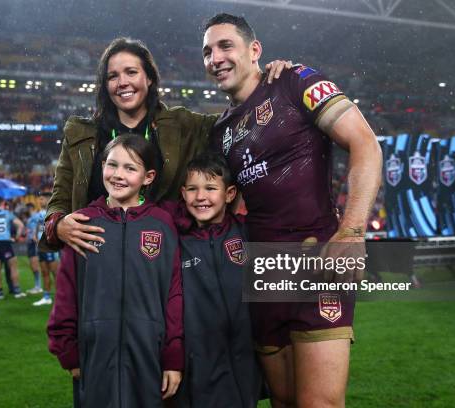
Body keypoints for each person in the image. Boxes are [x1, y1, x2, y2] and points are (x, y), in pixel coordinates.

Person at [202, 13, 382, 408]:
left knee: (319, 404)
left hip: (318, 259)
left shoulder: (296, 80)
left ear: (255, 50)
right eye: (207, 51)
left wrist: (352, 232)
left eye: (225, 46)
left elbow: (366, 144)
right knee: (282, 401)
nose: (215, 57)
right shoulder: (219, 132)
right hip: (263, 273)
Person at [38, 37, 291, 255]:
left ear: (149, 78)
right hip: (98, 260)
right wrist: (57, 226)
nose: (122, 82)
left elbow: (238, 123)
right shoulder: (81, 133)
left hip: (165, 262)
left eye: (131, 72)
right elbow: (59, 197)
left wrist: (268, 83)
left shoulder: (184, 125)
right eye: (112, 76)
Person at [47, 134, 183, 407]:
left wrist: (173, 356)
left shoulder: (162, 224)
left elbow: (174, 294)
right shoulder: (82, 222)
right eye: (112, 165)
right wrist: (68, 351)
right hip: (94, 355)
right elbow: (66, 292)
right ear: (102, 168)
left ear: (148, 177)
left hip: (149, 355)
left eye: (130, 168)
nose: (118, 175)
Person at [174, 152, 261, 407]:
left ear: (230, 194)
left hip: (245, 356)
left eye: (211, 188)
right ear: (182, 193)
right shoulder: (177, 240)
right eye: (192, 189)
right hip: (197, 361)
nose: (201, 197)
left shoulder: (248, 232)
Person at [32, 192, 58, 306]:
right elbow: (38, 226)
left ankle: (62, 297)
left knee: (55, 272)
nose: (40, 201)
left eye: (42, 199)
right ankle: (46, 297)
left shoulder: (53, 212)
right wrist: (35, 235)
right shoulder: (39, 213)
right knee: (44, 272)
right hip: (41, 246)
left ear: (48, 200)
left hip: (50, 246)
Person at [24, 202, 42, 294]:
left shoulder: (36, 216)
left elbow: (40, 226)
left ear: (30, 208)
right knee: (32, 265)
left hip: (34, 241)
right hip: (30, 242)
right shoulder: (30, 217)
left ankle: (38, 286)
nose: (25, 210)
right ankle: (37, 285)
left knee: (35, 265)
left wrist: (36, 237)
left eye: (26, 208)